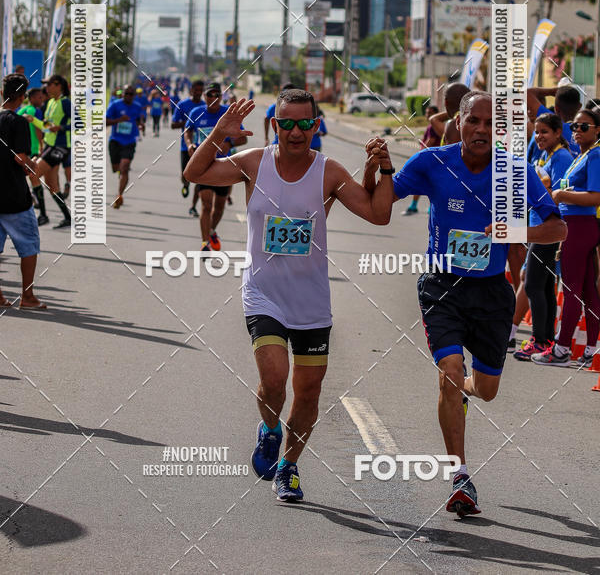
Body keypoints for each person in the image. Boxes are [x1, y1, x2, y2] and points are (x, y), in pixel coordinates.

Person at [184, 88, 394, 502]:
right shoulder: (254, 163)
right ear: (274, 125)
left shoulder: (328, 172)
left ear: (316, 125)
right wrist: (220, 133)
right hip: (263, 294)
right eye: (286, 123)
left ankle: (289, 465)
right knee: (275, 382)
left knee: (309, 392)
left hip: (312, 302)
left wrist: (384, 169)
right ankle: (270, 428)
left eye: (305, 123)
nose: (296, 132)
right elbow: (195, 173)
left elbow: (378, 213)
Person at [377, 91, 565, 515]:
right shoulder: (432, 162)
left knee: (486, 390)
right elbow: (384, 198)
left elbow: (558, 229)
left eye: (491, 124)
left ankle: (462, 389)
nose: (482, 129)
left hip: (491, 293)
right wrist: (381, 167)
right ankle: (460, 476)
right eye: (473, 121)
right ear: (458, 123)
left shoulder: (515, 171)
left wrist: (515, 231)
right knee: (449, 370)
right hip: (442, 286)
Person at [532, 107, 600, 367]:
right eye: (574, 126)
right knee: (585, 289)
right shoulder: (582, 155)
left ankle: (560, 350)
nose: (578, 131)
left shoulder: (595, 156)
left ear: (597, 130)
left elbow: (596, 197)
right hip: (576, 224)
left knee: (571, 288)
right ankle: (591, 348)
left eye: (584, 126)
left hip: (580, 224)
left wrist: (561, 196)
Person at [514, 114, 573, 360]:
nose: (538, 136)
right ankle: (545, 339)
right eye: (536, 132)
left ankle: (539, 341)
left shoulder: (561, 156)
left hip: (549, 229)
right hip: (539, 226)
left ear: (558, 133)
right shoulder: (547, 155)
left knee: (533, 284)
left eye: (544, 132)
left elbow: (558, 193)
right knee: (545, 286)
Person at [0, 74, 47, 309]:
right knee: (28, 244)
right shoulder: (18, 122)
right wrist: (33, 165)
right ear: (21, 98)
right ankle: (27, 296)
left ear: (2, 93)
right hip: (14, 195)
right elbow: (21, 158)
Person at [184, 83, 247, 250]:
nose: (213, 98)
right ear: (205, 96)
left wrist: (230, 142)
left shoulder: (227, 113)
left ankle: (211, 230)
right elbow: (187, 131)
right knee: (206, 205)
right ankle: (205, 243)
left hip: (223, 165)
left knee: (219, 207)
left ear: (221, 97)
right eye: (209, 95)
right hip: (205, 166)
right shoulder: (196, 112)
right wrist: (190, 145)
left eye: (216, 95)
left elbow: (243, 138)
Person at [36, 74, 72, 229]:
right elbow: (45, 126)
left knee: (33, 173)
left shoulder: (65, 103)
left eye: (49, 84)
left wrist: (62, 128)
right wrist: (32, 120)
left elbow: (80, 123)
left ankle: (43, 215)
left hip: (61, 146)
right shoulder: (50, 102)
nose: (47, 87)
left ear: (59, 86)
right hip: (50, 145)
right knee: (52, 186)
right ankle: (68, 218)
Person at [106, 84, 145, 209]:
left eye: (131, 94)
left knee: (125, 167)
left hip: (129, 141)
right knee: (116, 167)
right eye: (126, 93)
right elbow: (105, 121)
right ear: (122, 94)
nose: (128, 96)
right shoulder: (115, 105)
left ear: (134, 96)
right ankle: (120, 173)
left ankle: (119, 195)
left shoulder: (137, 107)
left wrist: (140, 126)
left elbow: (139, 120)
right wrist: (119, 120)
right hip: (115, 140)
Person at [18, 87, 48, 225]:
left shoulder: (21, 110)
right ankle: (41, 212)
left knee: (26, 178)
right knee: (34, 179)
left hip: (22, 149)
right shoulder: (36, 111)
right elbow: (38, 129)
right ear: (32, 98)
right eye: (39, 98)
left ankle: (31, 198)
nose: (41, 100)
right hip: (33, 149)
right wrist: (42, 145)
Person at [403, 103, 439, 215]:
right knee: (425, 182)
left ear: (435, 114)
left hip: (430, 160)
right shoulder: (431, 126)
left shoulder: (433, 126)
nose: (427, 115)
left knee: (424, 182)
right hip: (430, 159)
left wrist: (420, 155)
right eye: (427, 112)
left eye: (430, 113)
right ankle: (417, 206)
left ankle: (427, 207)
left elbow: (431, 141)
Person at [171, 79, 204, 199]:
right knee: (185, 174)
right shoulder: (182, 105)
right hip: (186, 145)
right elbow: (173, 124)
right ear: (191, 90)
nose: (198, 93)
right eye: (196, 90)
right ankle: (185, 185)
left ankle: (196, 199)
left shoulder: (204, 107)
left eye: (201, 90)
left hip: (201, 146)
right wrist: (188, 123)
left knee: (200, 175)